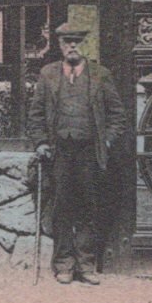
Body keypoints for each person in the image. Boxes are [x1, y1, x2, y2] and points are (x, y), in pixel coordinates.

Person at [29, 19, 126, 285]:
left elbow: (117, 115)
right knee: (61, 208)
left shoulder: (100, 74)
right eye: (66, 42)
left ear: (85, 44)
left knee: (88, 207)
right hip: (59, 152)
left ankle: (86, 264)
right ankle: (63, 265)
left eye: (77, 41)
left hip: (89, 153)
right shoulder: (48, 74)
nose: (72, 46)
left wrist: (105, 142)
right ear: (59, 45)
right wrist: (40, 143)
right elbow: (36, 114)